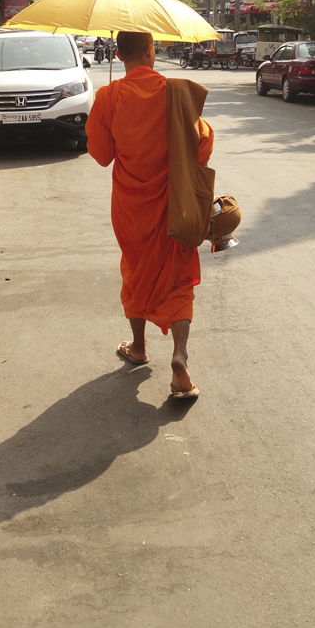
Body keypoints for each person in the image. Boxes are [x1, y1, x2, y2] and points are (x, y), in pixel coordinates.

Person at [85, 31, 214, 399]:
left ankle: (139, 347)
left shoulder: (109, 96)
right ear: (149, 49)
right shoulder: (175, 92)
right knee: (177, 276)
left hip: (130, 206)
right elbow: (202, 144)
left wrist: (108, 109)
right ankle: (180, 356)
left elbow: (100, 153)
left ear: (119, 54)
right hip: (173, 202)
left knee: (135, 269)